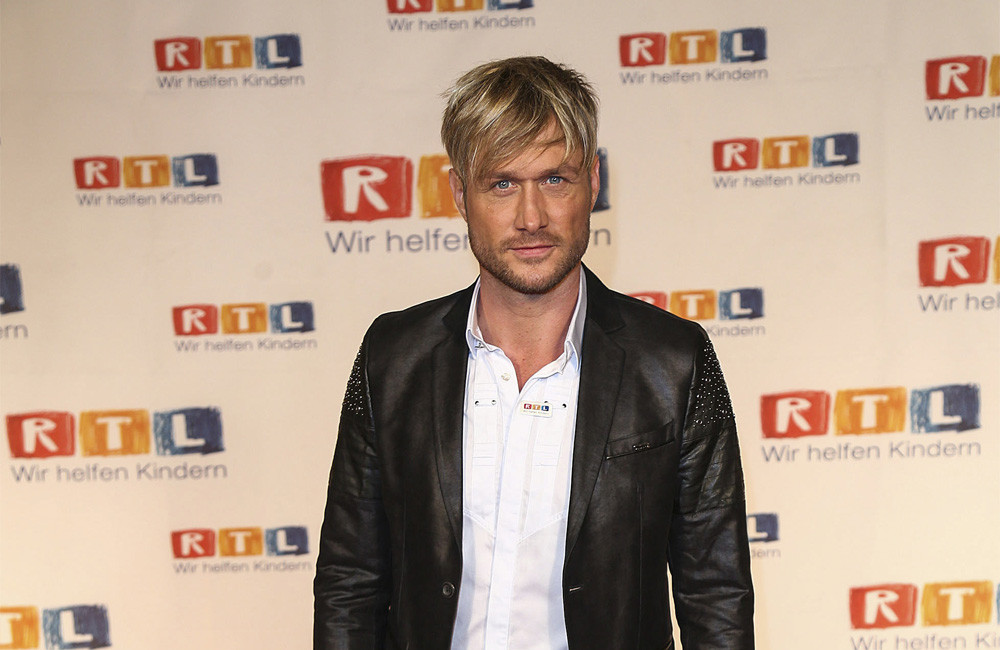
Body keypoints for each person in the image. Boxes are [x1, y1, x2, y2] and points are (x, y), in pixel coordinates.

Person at [314, 56, 754, 650]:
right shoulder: (393, 359)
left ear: (592, 183)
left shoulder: (673, 362)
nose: (531, 218)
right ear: (459, 194)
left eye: (554, 180)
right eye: (502, 184)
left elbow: (716, 594)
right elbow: (349, 581)